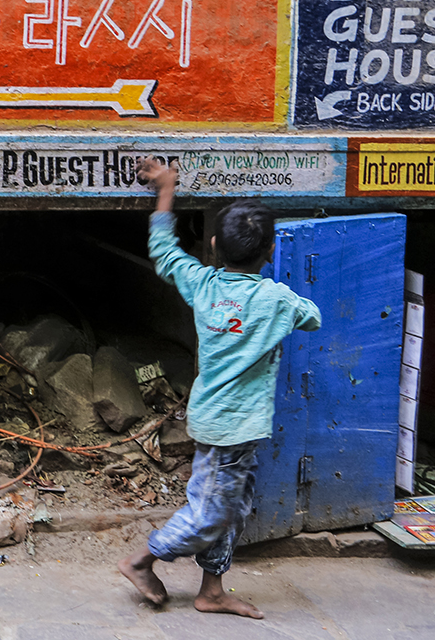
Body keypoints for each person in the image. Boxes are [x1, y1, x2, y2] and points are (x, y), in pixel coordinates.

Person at [117, 159, 321, 618]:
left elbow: (164, 251)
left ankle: (211, 591)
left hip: (218, 421)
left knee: (234, 506)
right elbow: (313, 317)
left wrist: (166, 190)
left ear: (212, 245)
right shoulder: (275, 299)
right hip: (233, 429)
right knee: (211, 514)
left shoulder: (203, 284)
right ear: (271, 250)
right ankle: (142, 560)